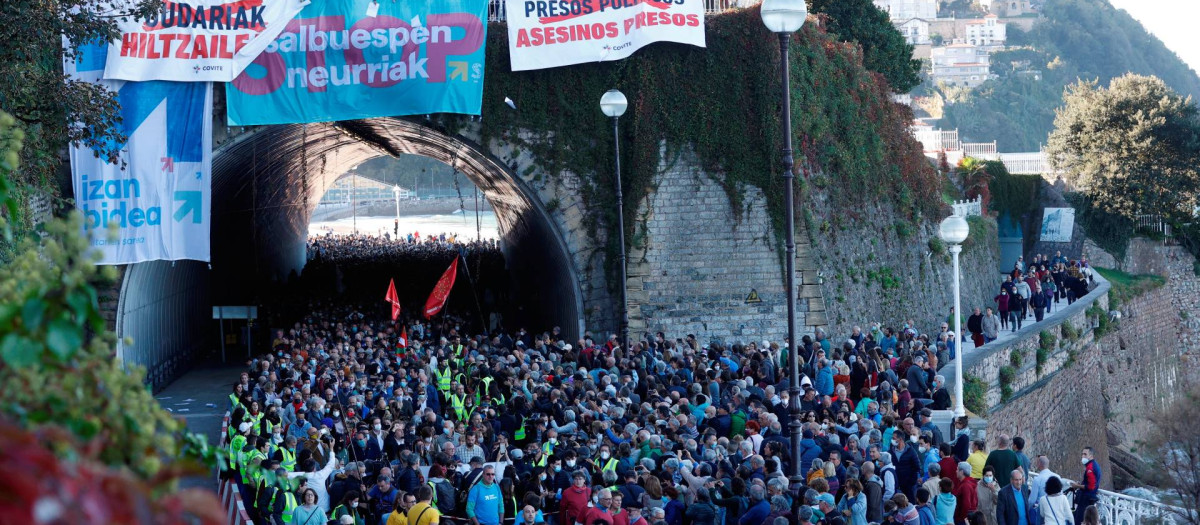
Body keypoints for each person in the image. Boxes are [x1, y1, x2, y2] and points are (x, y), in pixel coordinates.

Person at [1070, 447, 1101, 525]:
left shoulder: (1090, 468)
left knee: (1078, 520)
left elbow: (1090, 487)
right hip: (1089, 497)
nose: (1083, 456)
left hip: (1086, 498)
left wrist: (1077, 486)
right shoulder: (1094, 465)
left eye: (1085, 454)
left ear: (1091, 456)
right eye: (1082, 454)